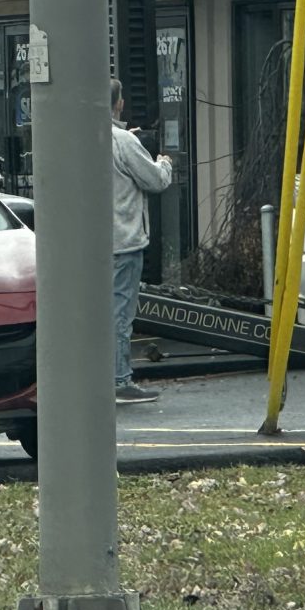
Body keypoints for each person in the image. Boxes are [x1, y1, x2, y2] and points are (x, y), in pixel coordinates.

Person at [111, 78, 173, 404]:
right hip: (123, 242)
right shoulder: (123, 141)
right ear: (118, 104)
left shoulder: (78, 134)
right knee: (120, 315)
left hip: (90, 247)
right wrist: (164, 162)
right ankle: (120, 381)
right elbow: (155, 180)